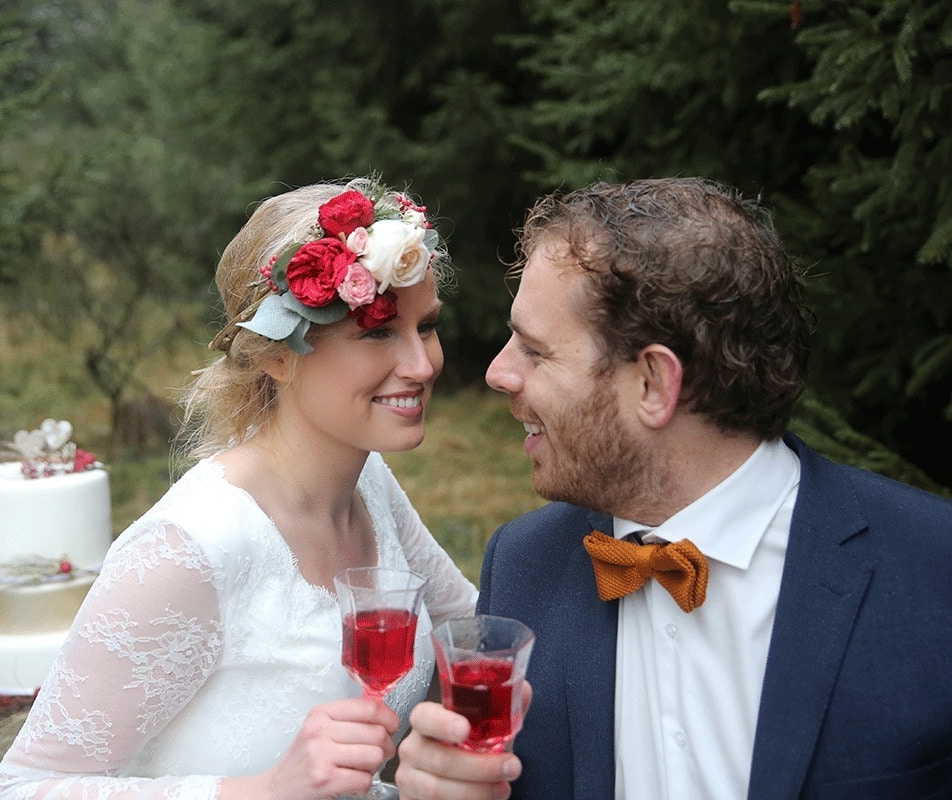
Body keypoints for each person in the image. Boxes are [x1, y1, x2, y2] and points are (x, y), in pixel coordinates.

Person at [0, 177, 478, 800]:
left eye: (427, 327)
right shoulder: (190, 549)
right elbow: (23, 787)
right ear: (275, 355)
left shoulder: (371, 486)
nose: (421, 363)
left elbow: (477, 631)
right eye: (378, 333)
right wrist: (263, 790)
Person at [395, 177, 952, 800]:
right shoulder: (525, 566)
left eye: (534, 350)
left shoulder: (932, 569)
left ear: (654, 384)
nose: (499, 372)